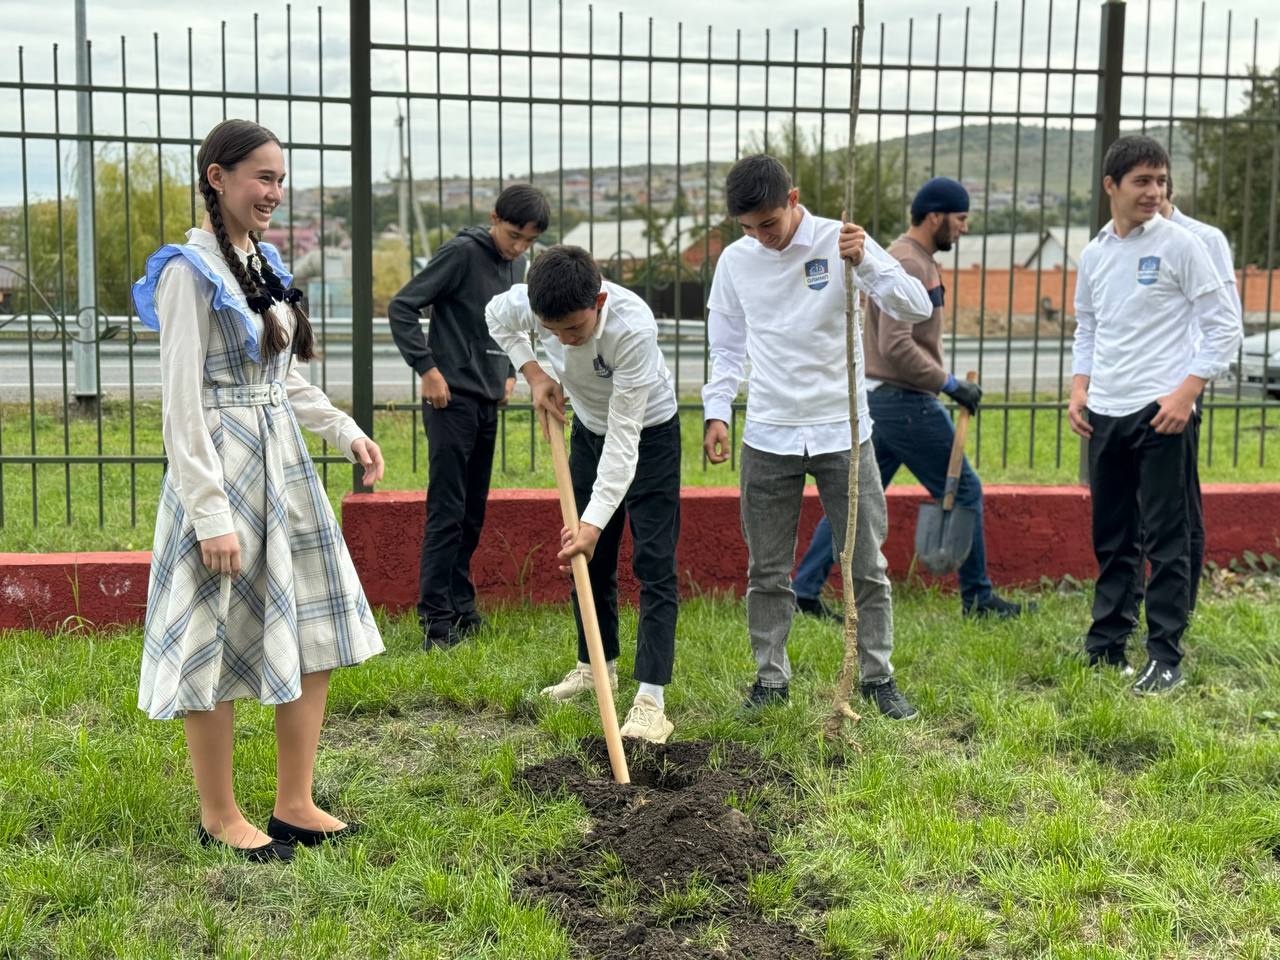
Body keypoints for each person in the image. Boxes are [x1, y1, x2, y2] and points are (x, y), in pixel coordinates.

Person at [133, 119, 386, 861]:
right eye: (262, 178)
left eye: (281, 179)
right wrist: (209, 515)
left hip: (284, 471)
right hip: (223, 473)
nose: (274, 192)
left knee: (314, 631)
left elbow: (283, 376)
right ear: (217, 176)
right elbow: (182, 404)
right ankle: (218, 815)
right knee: (213, 637)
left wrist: (342, 429)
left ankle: (295, 802)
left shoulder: (263, 261)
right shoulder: (189, 269)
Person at [702, 154, 934, 720]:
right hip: (769, 434)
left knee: (866, 564)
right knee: (767, 568)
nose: (762, 237)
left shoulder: (843, 239)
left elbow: (917, 305)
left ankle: (878, 677)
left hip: (843, 430)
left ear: (794, 199)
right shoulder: (736, 262)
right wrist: (717, 414)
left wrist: (870, 266)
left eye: (770, 224)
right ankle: (770, 679)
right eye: (749, 228)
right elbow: (727, 346)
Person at [792, 178, 1030, 621]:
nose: (963, 228)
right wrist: (950, 383)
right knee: (966, 491)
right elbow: (897, 346)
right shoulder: (909, 262)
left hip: (885, 402)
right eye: (959, 219)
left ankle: (804, 589)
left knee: (857, 501)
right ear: (935, 215)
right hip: (904, 403)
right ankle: (978, 598)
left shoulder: (911, 257)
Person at [486, 245, 681, 743]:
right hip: (587, 432)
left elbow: (625, 438)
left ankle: (651, 699)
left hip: (649, 434)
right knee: (588, 562)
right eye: (552, 331)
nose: (565, 340)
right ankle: (595, 666)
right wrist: (534, 373)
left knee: (654, 565)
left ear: (598, 299)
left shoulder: (632, 329)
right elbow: (495, 317)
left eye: (574, 328)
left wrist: (592, 523)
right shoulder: (530, 303)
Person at [1069, 135, 1241, 693]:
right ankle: (1106, 643)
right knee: (1113, 536)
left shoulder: (1183, 245)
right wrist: (1079, 390)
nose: (1155, 191)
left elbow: (1223, 326)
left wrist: (1185, 394)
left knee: (1167, 540)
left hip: (1161, 413)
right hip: (1105, 412)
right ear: (1111, 186)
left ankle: (1165, 656)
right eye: (1142, 181)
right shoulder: (1094, 253)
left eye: (1162, 181)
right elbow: (1088, 328)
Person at [389, 184, 549, 650]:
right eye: (513, 234)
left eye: (528, 241)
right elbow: (403, 306)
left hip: (486, 400)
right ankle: (436, 621)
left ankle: (461, 607)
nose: (518, 247)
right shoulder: (461, 253)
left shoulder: (517, 265)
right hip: (448, 400)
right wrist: (428, 369)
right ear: (494, 217)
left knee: (473, 512)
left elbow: (508, 325)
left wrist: (508, 373)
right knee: (447, 512)